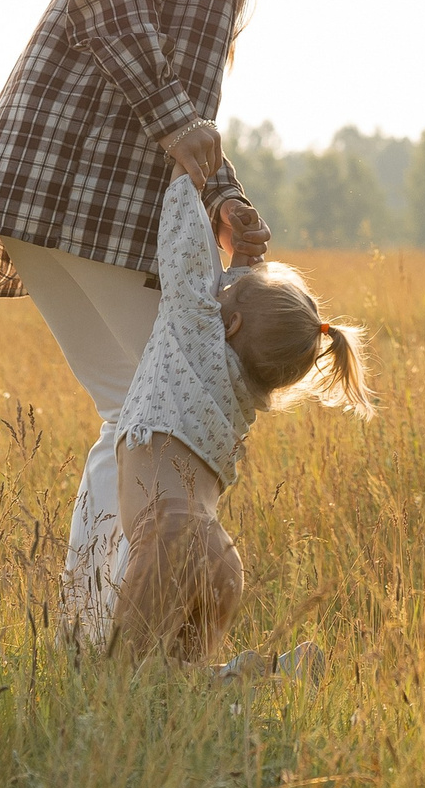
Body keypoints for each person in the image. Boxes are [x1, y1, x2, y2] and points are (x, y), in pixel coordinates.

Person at [0, 0, 337, 639]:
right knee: (151, 408)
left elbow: (185, 99)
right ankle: (128, 647)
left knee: (134, 411)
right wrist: (172, 122)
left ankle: (99, 641)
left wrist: (222, 192)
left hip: (66, 188)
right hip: (68, 181)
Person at [111, 170, 369, 673]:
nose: (217, 289)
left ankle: (253, 678)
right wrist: (245, 265)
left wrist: (190, 174)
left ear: (227, 323)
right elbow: (245, 315)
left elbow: (183, 254)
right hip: (218, 556)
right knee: (171, 693)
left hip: (171, 536)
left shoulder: (193, 334)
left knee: (117, 682)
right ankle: (261, 677)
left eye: (225, 293)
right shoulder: (245, 392)